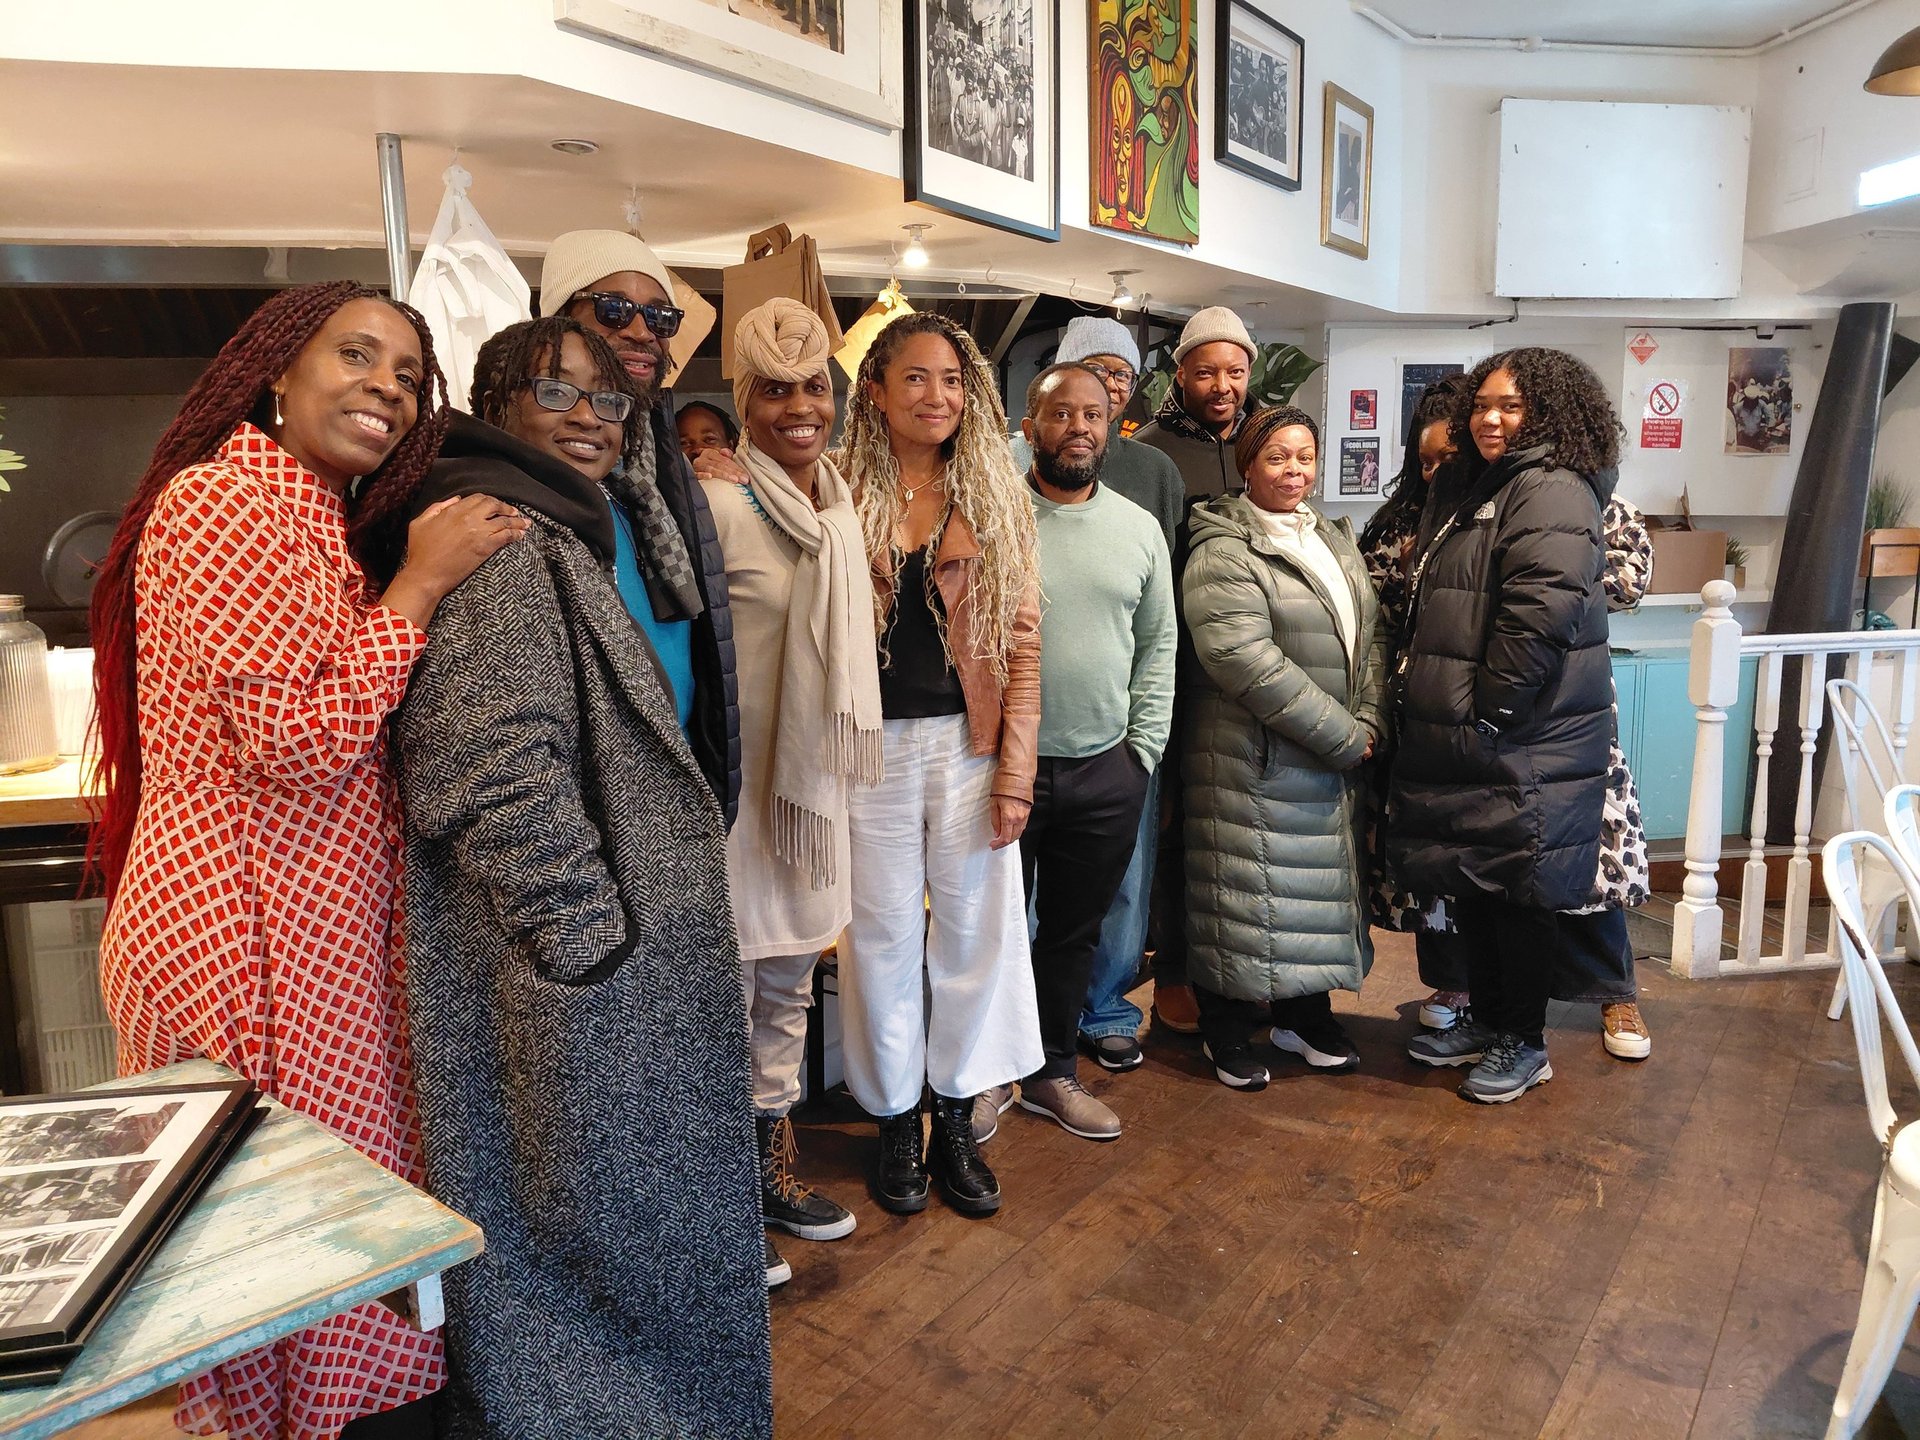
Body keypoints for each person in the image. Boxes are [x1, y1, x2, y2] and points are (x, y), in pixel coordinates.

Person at [91, 280, 526, 1440]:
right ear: (279, 370)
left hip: (306, 935)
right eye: (358, 356)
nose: (386, 388)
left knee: (318, 1238)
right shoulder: (221, 501)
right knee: (274, 1248)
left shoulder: (311, 521)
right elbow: (295, 743)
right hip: (239, 938)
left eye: (408, 375)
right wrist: (420, 584)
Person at [389, 316, 772, 1437]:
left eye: (609, 401)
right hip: (581, 975)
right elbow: (490, 769)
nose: (589, 420)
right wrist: (588, 945)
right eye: (556, 392)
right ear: (495, 403)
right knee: (590, 1265)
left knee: (625, 1253)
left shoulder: (561, 526)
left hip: (611, 958)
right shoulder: (503, 542)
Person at [1363, 396, 1655, 1061]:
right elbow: (1387, 606)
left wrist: (1493, 697)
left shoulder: (1568, 498)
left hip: (1544, 719)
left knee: (1570, 869)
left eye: (1449, 457)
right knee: (1468, 872)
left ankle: (1603, 996)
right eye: (1427, 460)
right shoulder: (1423, 517)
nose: (1438, 470)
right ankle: (1478, 1004)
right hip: (1447, 718)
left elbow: (1585, 591)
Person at [837, 311, 1044, 1217]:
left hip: (969, 746)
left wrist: (1015, 774)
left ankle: (955, 1116)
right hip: (868, 751)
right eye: (916, 377)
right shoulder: (837, 491)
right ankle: (894, 1120)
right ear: (877, 391)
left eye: (953, 379)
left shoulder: (995, 494)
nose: (938, 396)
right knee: (879, 938)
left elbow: (1023, 643)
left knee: (974, 936)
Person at [702, 299, 879, 1269]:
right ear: (745, 402)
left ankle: (772, 1170)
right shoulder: (720, 507)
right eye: (775, 390)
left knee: (790, 991)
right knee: (726, 999)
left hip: (815, 801)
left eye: (814, 386)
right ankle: (724, 1201)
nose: (800, 407)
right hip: (740, 801)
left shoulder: (841, 512)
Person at [1181, 405, 1384, 1090]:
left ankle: (1304, 1017)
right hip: (1252, 763)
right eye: (1276, 457)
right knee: (1241, 899)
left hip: (1328, 758)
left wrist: (1371, 718)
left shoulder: (1331, 537)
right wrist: (1345, 735)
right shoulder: (1222, 549)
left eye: (1304, 456)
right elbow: (1242, 657)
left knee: (1309, 901)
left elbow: (1372, 635)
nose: (1293, 470)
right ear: (1247, 466)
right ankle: (1225, 1031)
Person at [996, 362, 1172, 1140]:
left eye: (1092, 415)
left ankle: (1051, 1072)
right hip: (1001, 769)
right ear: (1029, 428)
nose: (1078, 428)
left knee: (1071, 935)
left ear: (1111, 428)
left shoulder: (1137, 528)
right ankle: (984, 1078)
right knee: (992, 934)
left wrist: (1141, 754)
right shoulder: (994, 517)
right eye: (1061, 414)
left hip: (1106, 770)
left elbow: (1159, 646)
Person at [539, 229, 738, 823]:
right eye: (613, 309)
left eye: (659, 316)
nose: (641, 331)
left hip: (677, 784)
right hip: (595, 809)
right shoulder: (524, 488)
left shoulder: (658, 468)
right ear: (556, 322)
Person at [1129, 305, 1260, 1039]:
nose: (1222, 386)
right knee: (1177, 824)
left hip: (1252, 669)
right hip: (1179, 663)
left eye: (1234, 371)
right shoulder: (1150, 452)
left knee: (1242, 821)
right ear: (1179, 374)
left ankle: (1244, 971)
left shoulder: (1265, 443)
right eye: (1206, 371)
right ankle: (1174, 969)